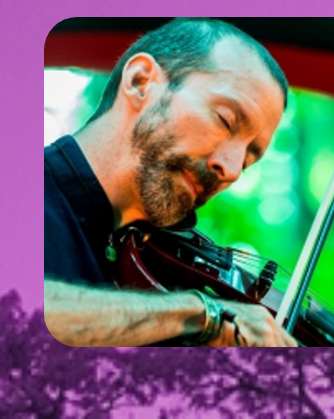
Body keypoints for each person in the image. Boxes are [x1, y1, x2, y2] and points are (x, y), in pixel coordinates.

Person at [44, 18, 301, 346]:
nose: (232, 170)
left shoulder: (157, 279)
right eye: (225, 120)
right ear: (140, 82)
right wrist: (204, 315)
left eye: (248, 161)